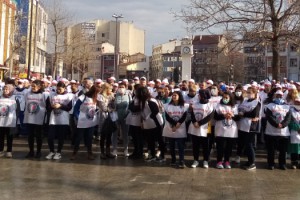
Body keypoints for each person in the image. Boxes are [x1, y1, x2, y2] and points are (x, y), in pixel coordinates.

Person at [71, 85, 100, 160]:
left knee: (89, 138)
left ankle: (89, 153)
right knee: (79, 137)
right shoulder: (83, 97)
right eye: (96, 93)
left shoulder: (96, 98)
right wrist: (77, 117)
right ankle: (74, 153)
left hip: (91, 121)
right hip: (82, 120)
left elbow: (96, 107)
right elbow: (76, 108)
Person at [45, 81, 73, 160]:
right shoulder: (51, 95)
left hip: (63, 119)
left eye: (60, 89)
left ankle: (59, 152)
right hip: (53, 119)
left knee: (61, 137)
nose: (58, 91)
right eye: (57, 89)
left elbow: (69, 108)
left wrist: (60, 105)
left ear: (64, 88)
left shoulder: (68, 96)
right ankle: (51, 151)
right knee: (50, 137)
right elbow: (47, 107)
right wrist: (52, 106)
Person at [265, 90, 291, 170]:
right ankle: (271, 163)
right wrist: (277, 124)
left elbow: (288, 118)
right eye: (277, 96)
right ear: (274, 96)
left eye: (280, 96)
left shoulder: (287, 106)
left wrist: (282, 125)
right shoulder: (269, 106)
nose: (279, 97)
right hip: (271, 132)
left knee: (283, 151)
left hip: (284, 133)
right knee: (271, 150)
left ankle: (282, 164)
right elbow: (269, 117)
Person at [137, 86, 165, 162]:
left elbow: (155, 111)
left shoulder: (151, 100)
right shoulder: (142, 101)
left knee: (160, 140)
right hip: (148, 124)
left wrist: (147, 117)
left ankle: (162, 156)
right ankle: (152, 155)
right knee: (150, 140)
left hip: (156, 123)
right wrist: (143, 121)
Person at [24, 80, 49, 159]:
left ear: (39, 86)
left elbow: (48, 106)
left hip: (39, 118)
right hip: (29, 118)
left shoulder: (44, 95)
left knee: (39, 136)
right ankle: (31, 151)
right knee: (30, 136)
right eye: (32, 86)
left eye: (34, 86)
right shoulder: (27, 94)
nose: (33, 87)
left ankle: (38, 151)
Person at [188, 89, 214, 168]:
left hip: (206, 128)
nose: (198, 96)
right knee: (195, 144)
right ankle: (196, 160)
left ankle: (205, 160)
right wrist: (194, 122)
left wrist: (199, 123)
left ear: (204, 96)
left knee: (205, 145)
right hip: (195, 126)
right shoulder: (195, 104)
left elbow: (210, 116)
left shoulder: (210, 104)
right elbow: (192, 114)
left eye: (199, 95)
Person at [237, 87, 261, 170]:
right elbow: (240, 109)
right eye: (247, 92)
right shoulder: (245, 101)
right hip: (243, 125)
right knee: (246, 145)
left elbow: (254, 114)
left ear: (255, 93)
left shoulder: (257, 102)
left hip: (251, 126)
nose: (248, 94)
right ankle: (249, 161)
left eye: (250, 92)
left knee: (250, 144)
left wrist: (243, 114)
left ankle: (252, 163)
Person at [163, 91, 188, 168]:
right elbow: (167, 117)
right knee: (172, 146)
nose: (174, 97)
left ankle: (181, 160)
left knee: (180, 146)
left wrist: (178, 124)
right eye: (173, 95)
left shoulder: (184, 106)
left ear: (179, 96)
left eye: (175, 95)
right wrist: (174, 124)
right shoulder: (167, 105)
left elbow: (184, 116)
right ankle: (173, 159)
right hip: (171, 127)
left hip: (180, 128)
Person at [214, 91, 239, 169]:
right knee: (220, 147)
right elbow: (215, 117)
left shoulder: (234, 107)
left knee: (229, 147)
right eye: (223, 97)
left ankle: (227, 161)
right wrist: (224, 115)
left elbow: (238, 118)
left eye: (226, 98)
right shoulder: (218, 106)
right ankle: (219, 161)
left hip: (231, 130)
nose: (225, 99)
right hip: (220, 129)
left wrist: (232, 115)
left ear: (230, 98)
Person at [112, 82, 132, 157]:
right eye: (120, 87)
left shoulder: (129, 95)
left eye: (123, 87)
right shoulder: (114, 95)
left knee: (125, 134)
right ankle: (114, 149)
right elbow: (111, 105)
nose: (121, 88)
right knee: (114, 133)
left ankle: (126, 149)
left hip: (125, 118)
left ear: (126, 87)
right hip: (116, 118)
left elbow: (131, 106)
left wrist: (128, 114)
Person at [0, 84, 19, 158]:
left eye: (7, 89)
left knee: (9, 136)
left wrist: (15, 118)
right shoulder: (0, 97)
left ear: (11, 90)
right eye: (4, 89)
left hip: (10, 121)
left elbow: (18, 109)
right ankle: (1, 150)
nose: (5, 91)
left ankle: (9, 151)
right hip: (1, 120)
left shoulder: (15, 98)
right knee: (1, 136)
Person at [98, 83, 116, 159]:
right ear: (106, 89)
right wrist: (112, 109)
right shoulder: (100, 96)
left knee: (109, 135)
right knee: (103, 135)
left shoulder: (111, 96)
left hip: (110, 117)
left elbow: (114, 106)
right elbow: (103, 108)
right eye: (110, 89)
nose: (111, 90)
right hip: (103, 117)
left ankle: (108, 152)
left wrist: (113, 101)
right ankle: (102, 152)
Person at [127, 84, 143, 159]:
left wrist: (133, 107)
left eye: (137, 90)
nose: (135, 91)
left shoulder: (142, 99)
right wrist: (133, 107)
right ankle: (135, 151)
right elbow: (130, 106)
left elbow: (138, 108)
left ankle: (139, 152)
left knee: (139, 138)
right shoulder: (135, 97)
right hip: (133, 120)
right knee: (134, 138)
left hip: (139, 121)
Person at [288, 98, 300, 169]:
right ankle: (294, 163)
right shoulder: (291, 111)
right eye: (296, 102)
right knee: (294, 148)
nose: (298, 104)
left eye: (299, 103)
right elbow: (289, 121)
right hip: (294, 132)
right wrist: (297, 128)